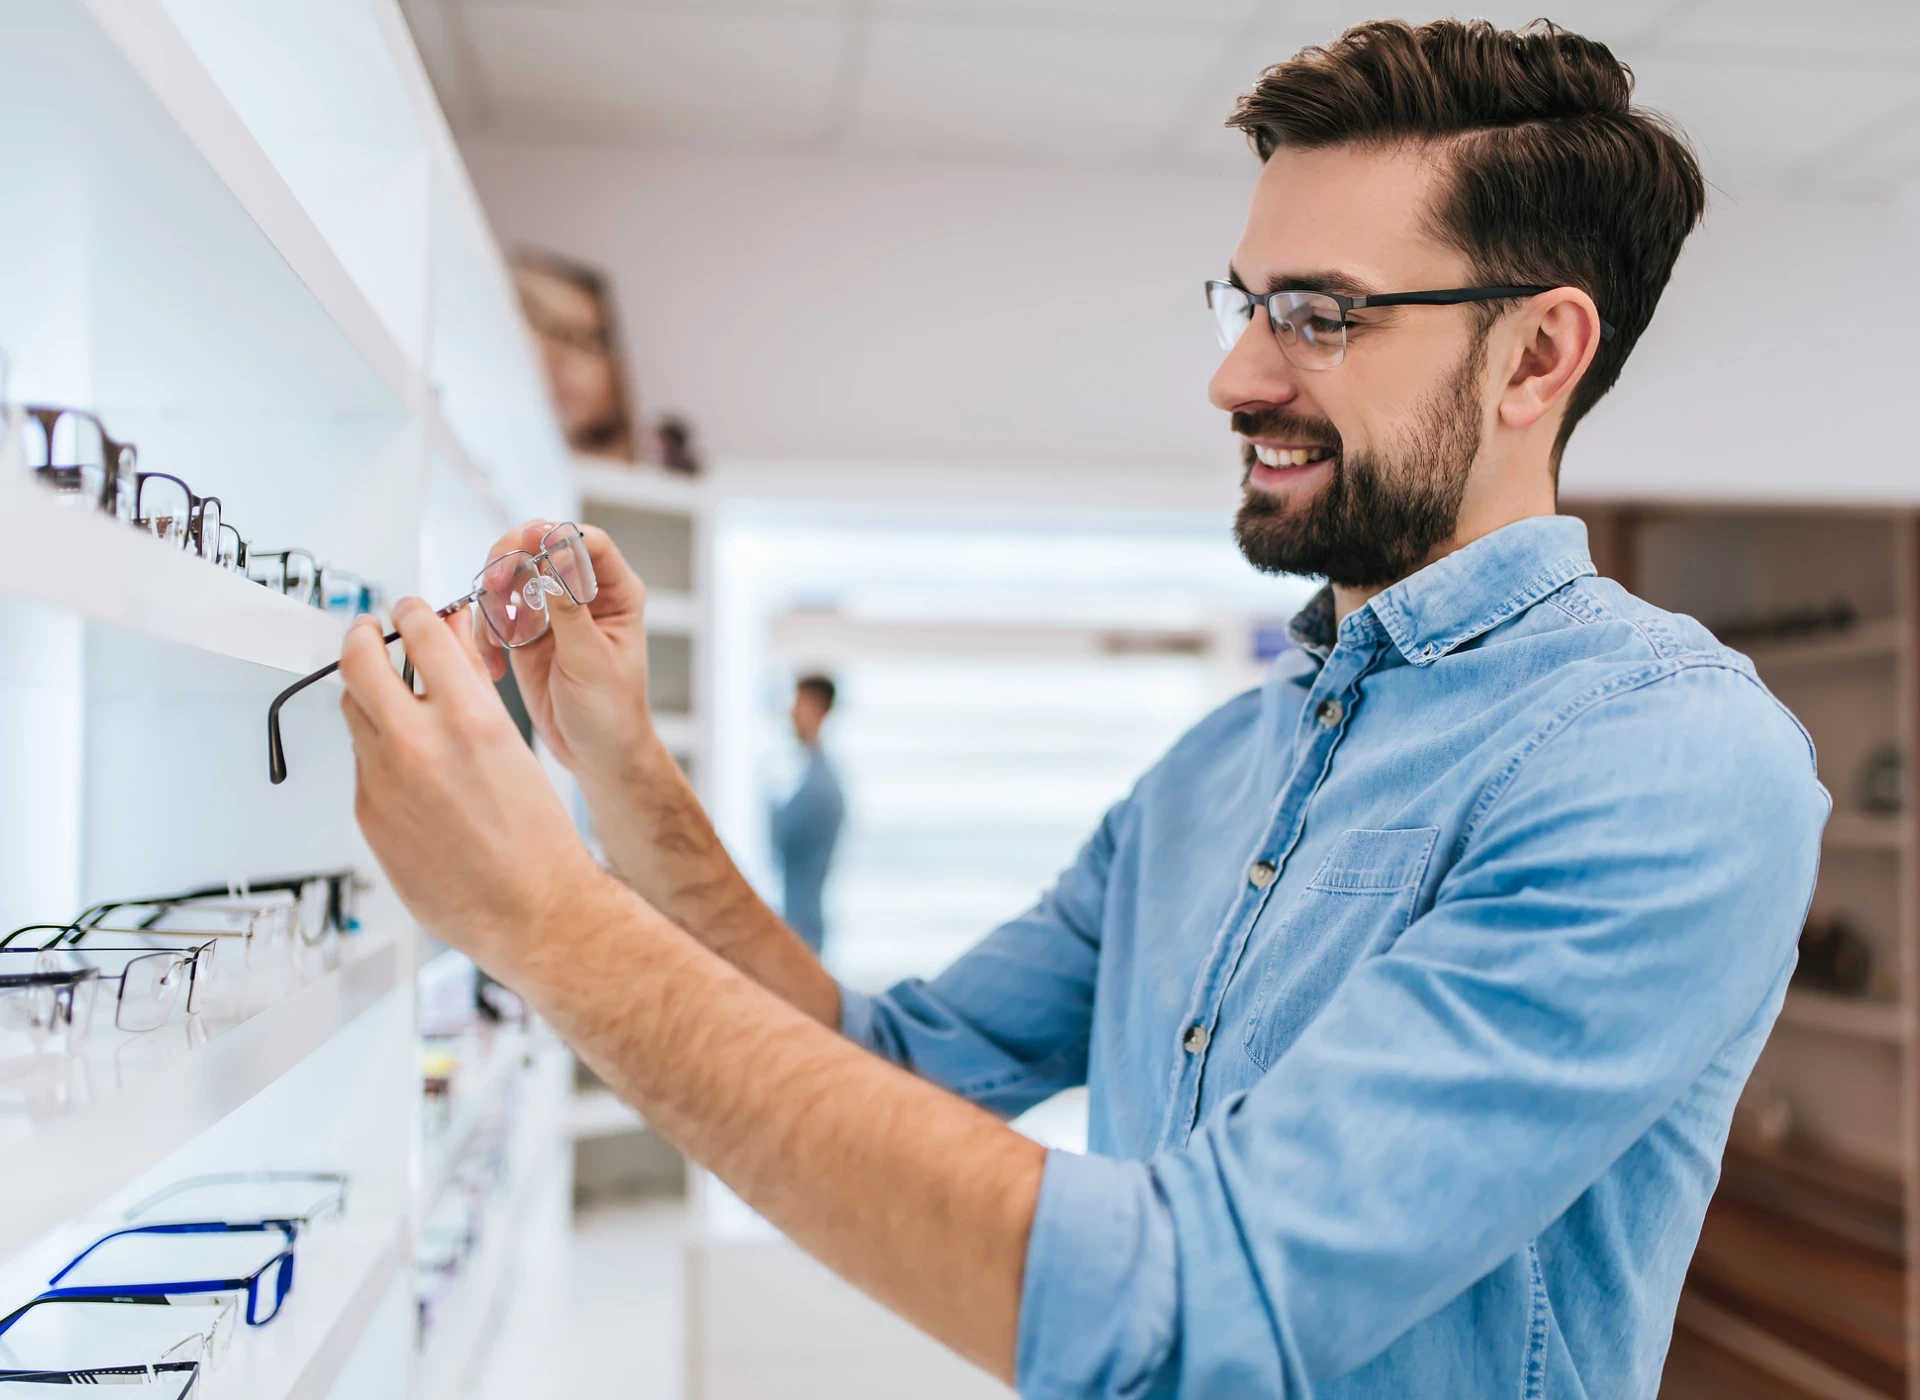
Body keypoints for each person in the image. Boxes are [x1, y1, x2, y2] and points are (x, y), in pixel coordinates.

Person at [336, 20, 1827, 1398]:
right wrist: (618, 762)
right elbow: (889, 1059)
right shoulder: (1219, 769)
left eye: (1317, 316)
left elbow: (1189, 1310)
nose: (1234, 377)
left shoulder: (1669, 760)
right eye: (1245, 305)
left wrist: (542, 917)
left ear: (1536, 355)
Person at [769, 674, 844, 955]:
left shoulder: (819, 786)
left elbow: (779, 837)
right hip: (800, 924)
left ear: (815, 707)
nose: (791, 713)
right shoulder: (812, 776)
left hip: (801, 929)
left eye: (797, 702)